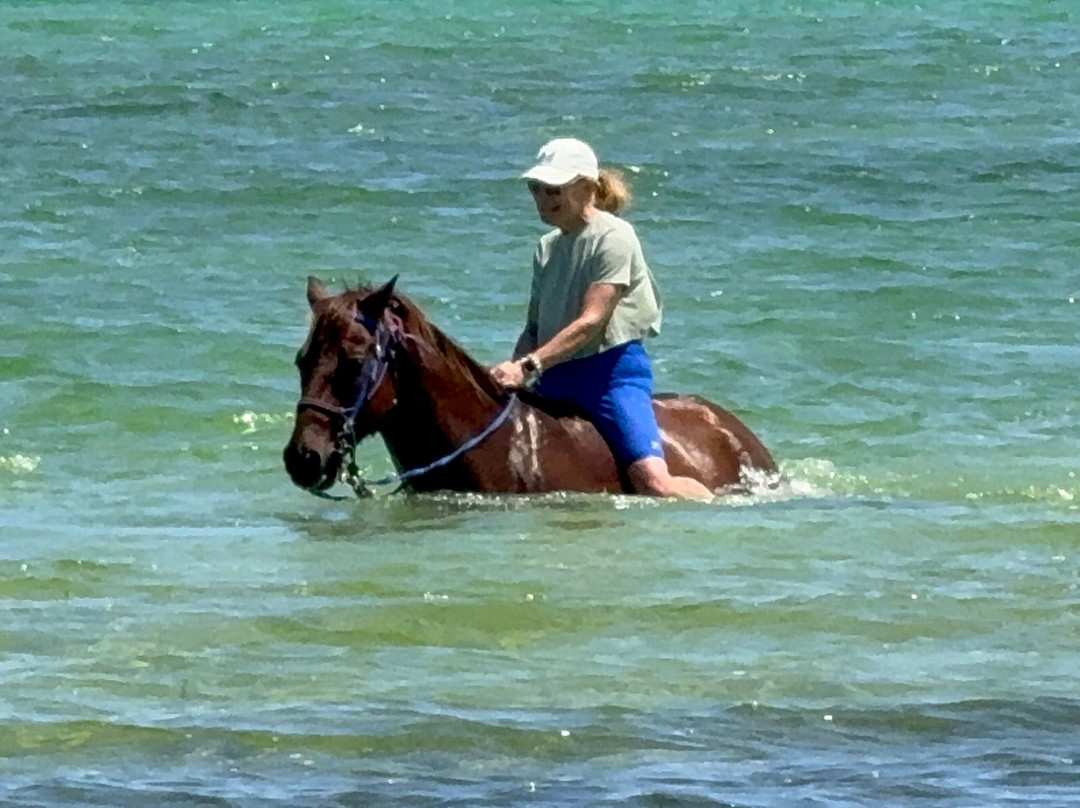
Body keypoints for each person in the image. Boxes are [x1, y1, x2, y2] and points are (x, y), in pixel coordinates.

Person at [490, 137, 715, 501]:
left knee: (654, 483)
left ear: (585, 188)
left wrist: (528, 366)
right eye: (537, 190)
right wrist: (512, 370)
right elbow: (534, 327)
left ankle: (721, 509)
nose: (543, 200)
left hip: (609, 377)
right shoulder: (546, 247)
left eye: (553, 190)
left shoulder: (614, 237)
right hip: (553, 376)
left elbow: (591, 321)